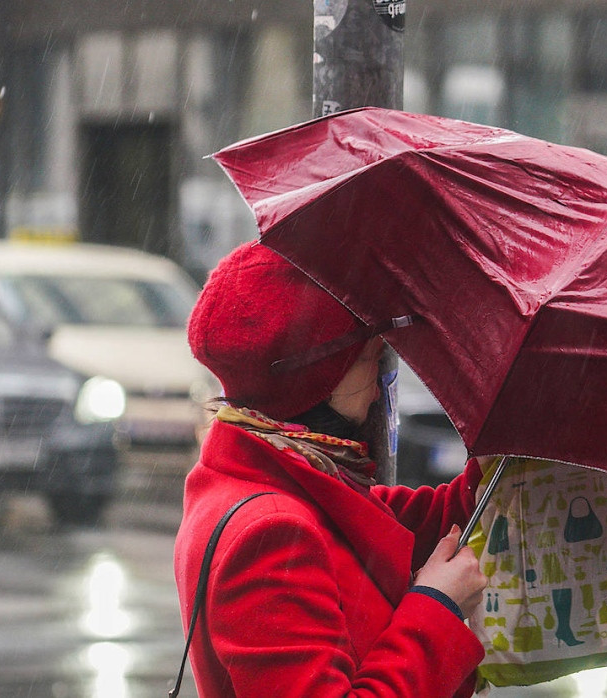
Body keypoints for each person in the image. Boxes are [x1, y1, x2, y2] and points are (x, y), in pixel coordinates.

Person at [173, 241, 487, 697]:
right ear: (317, 378)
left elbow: (394, 524)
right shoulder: (271, 533)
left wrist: (495, 471)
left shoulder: (280, 475)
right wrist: (438, 607)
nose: (378, 389)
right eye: (369, 359)